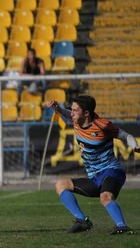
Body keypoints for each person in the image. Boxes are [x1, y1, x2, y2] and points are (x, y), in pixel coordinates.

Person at [48, 96, 139, 235]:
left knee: (105, 197)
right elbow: (68, 114)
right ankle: (82, 221)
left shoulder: (103, 125)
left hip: (112, 171)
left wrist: (135, 146)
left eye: (75, 110)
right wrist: (58, 109)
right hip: (94, 178)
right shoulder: (76, 121)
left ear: (86, 113)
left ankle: (122, 226)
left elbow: (126, 136)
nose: (72, 113)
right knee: (61, 185)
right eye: (71, 110)